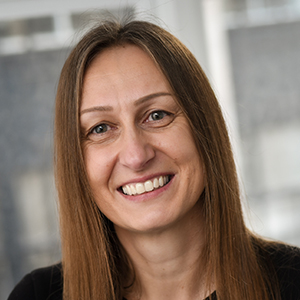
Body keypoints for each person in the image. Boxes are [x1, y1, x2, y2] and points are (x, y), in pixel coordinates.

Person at [8, 18, 300, 300]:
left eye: (157, 115)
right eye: (100, 128)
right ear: (76, 163)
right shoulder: (37, 295)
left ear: (204, 128)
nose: (136, 156)